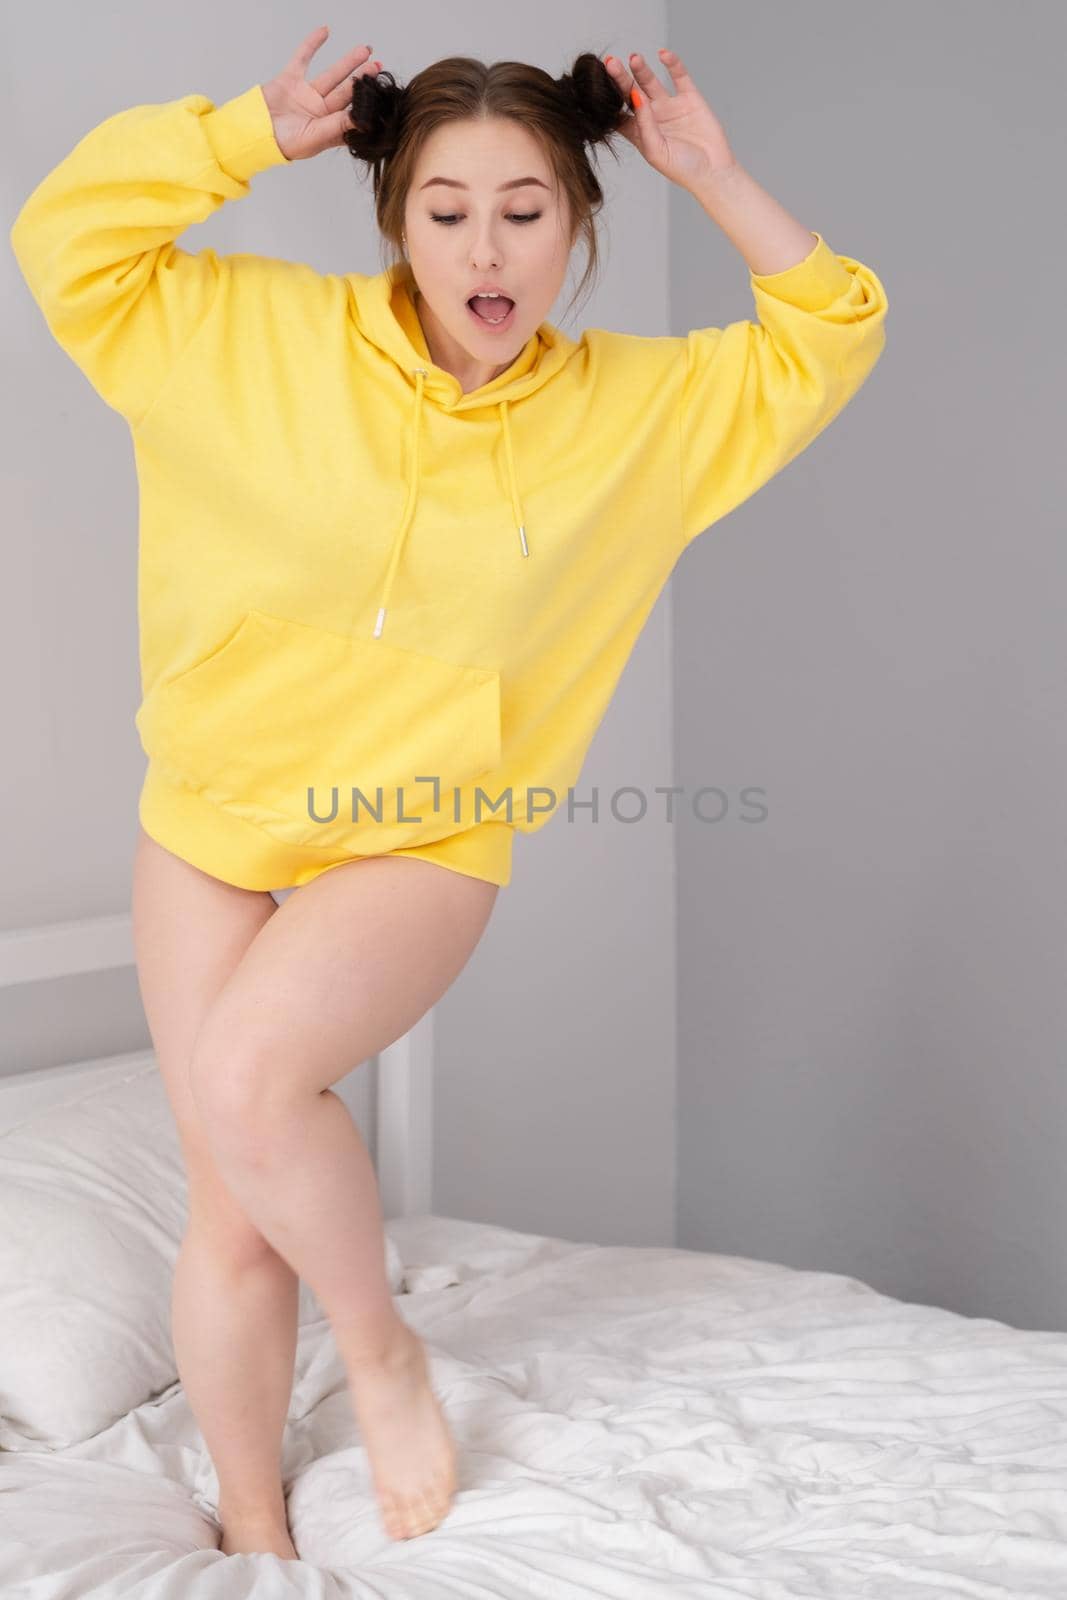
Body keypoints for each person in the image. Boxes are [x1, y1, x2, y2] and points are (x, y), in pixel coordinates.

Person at [8, 25, 889, 1558]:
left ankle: (382, 1348)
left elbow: (833, 328)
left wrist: (717, 175)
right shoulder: (236, 334)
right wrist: (234, 137)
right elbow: (65, 234)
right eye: (448, 209)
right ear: (395, 220)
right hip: (210, 816)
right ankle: (259, 1531)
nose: (487, 247)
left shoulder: (640, 417)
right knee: (232, 1198)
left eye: (528, 211)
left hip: (420, 833)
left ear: (579, 224)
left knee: (248, 1083)